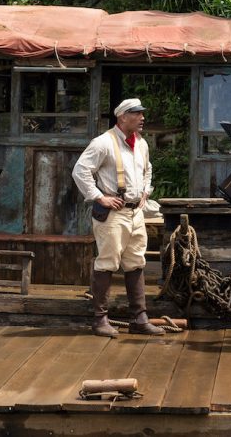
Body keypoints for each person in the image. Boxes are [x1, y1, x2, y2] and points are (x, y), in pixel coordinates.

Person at [72, 98, 164, 337]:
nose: (142, 117)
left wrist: (145, 191)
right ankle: (100, 319)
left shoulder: (141, 143)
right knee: (107, 262)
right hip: (113, 213)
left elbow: (148, 169)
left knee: (136, 261)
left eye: (142, 113)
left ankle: (139, 317)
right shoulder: (103, 142)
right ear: (122, 117)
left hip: (135, 212)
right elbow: (80, 170)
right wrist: (98, 197)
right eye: (137, 113)